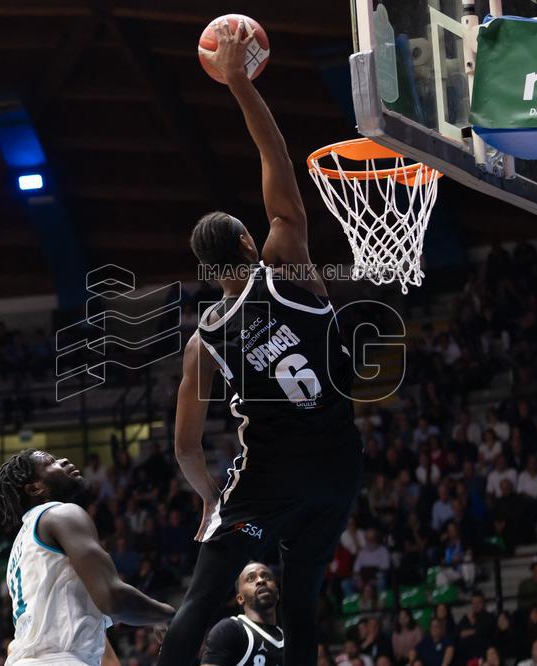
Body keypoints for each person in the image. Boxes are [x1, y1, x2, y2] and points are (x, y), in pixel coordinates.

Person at [160, 19, 362, 666]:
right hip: (337, 470)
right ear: (250, 243)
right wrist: (241, 83)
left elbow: (187, 447)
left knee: (197, 606)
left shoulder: (205, 340)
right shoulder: (290, 261)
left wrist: (211, 500)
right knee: (300, 605)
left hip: (266, 487)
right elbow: (275, 159)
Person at [0, 449, 173, 666]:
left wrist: (150, 616)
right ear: (34, 488)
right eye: (51, 462)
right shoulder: (61, 513)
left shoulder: (22, 543)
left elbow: (82, 608)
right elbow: (112, 598)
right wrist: (167, 614)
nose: (64, 460)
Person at [202, 562, 283, 666]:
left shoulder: (291, 636)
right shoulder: (229, 630)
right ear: (240, 599)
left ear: (277, 594)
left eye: (266, 577)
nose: (261, 581)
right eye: (251, 579)